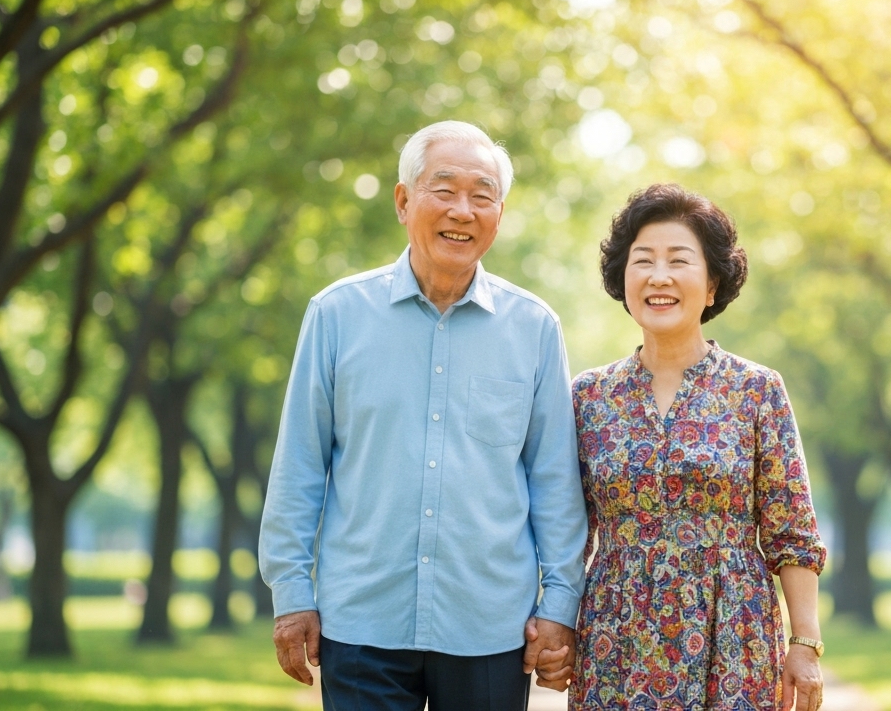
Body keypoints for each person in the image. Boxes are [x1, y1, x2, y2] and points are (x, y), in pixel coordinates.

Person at [258, 120, 587, 710]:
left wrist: (559, 606)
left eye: (482, 195)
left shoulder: (534, 328)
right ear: (404, 201)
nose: (463, 210)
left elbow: (555, 482)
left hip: (490, 626)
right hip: (360, 621)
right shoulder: (336, 315)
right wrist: (291, 592)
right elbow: (300, 464)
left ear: (499, 214)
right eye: (444, 189)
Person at [565, 184, 828, 710]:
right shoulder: (587, 398)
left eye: (678, 261)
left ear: (712, 285)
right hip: (616, 639)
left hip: (733, 636)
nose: (658, 276)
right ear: (623, 279)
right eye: (643, 261)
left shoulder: (756, 390)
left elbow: (791, 529)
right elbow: (565, 530)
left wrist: (805, 643)